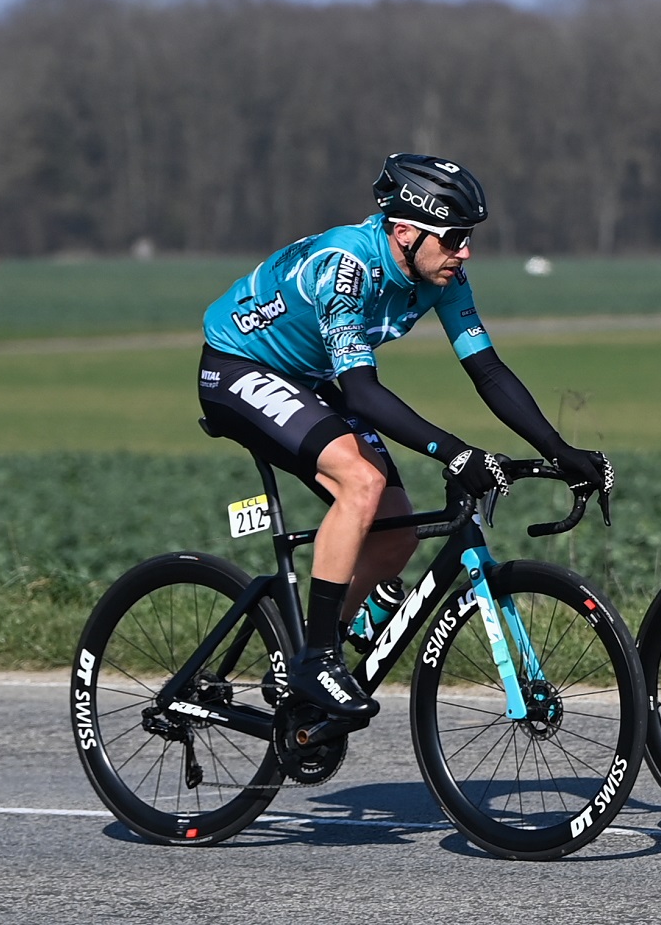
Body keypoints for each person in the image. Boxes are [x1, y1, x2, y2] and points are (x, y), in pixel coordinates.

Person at [197, 154, 610, 721]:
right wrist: (456, 450)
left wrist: (560, 451)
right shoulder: (345, 268)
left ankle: (307, 654)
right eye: (455, 237)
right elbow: (364, 394)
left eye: (469, 238)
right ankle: (316, 660)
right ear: (406, 230)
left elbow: (486, 368)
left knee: (395, 535)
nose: (465, 251)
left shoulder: (441, 274)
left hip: (311, 379)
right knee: (360, 483)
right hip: (240, 369)